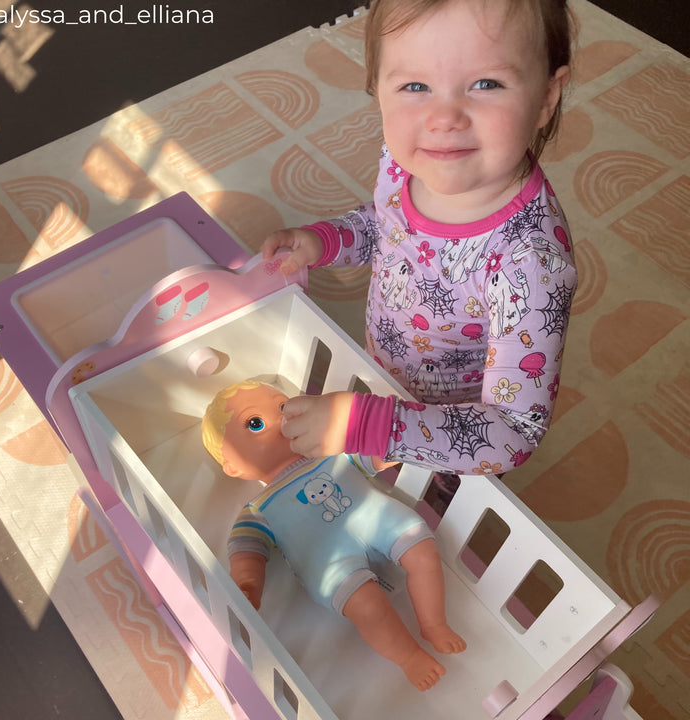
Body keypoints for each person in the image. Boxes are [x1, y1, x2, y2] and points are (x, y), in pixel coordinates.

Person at [262, 0, 577, 481]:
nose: (444, 117)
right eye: (415, 86)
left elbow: (513, 430)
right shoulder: (407, 158)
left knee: (430, 516)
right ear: (379, 90)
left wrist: (370, 424)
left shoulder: (529, 264)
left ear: (546, 97)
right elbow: (389, 226)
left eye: (486, 84)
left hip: (450, 441)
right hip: (382, 378)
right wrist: (325, 240)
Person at [202, 379, 466, 691]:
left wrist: (398, 427)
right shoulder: (258, 509)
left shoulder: (335, 452)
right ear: (233, 467)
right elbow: (247, 551)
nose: (281, 419)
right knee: (367, 606)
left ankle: (433, 624)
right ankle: (409, 657)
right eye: (255, 423)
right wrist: (247, 584)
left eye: (282, 406)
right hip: (327, 561)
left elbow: (385, 448)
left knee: (422, 552)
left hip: (379, 519)